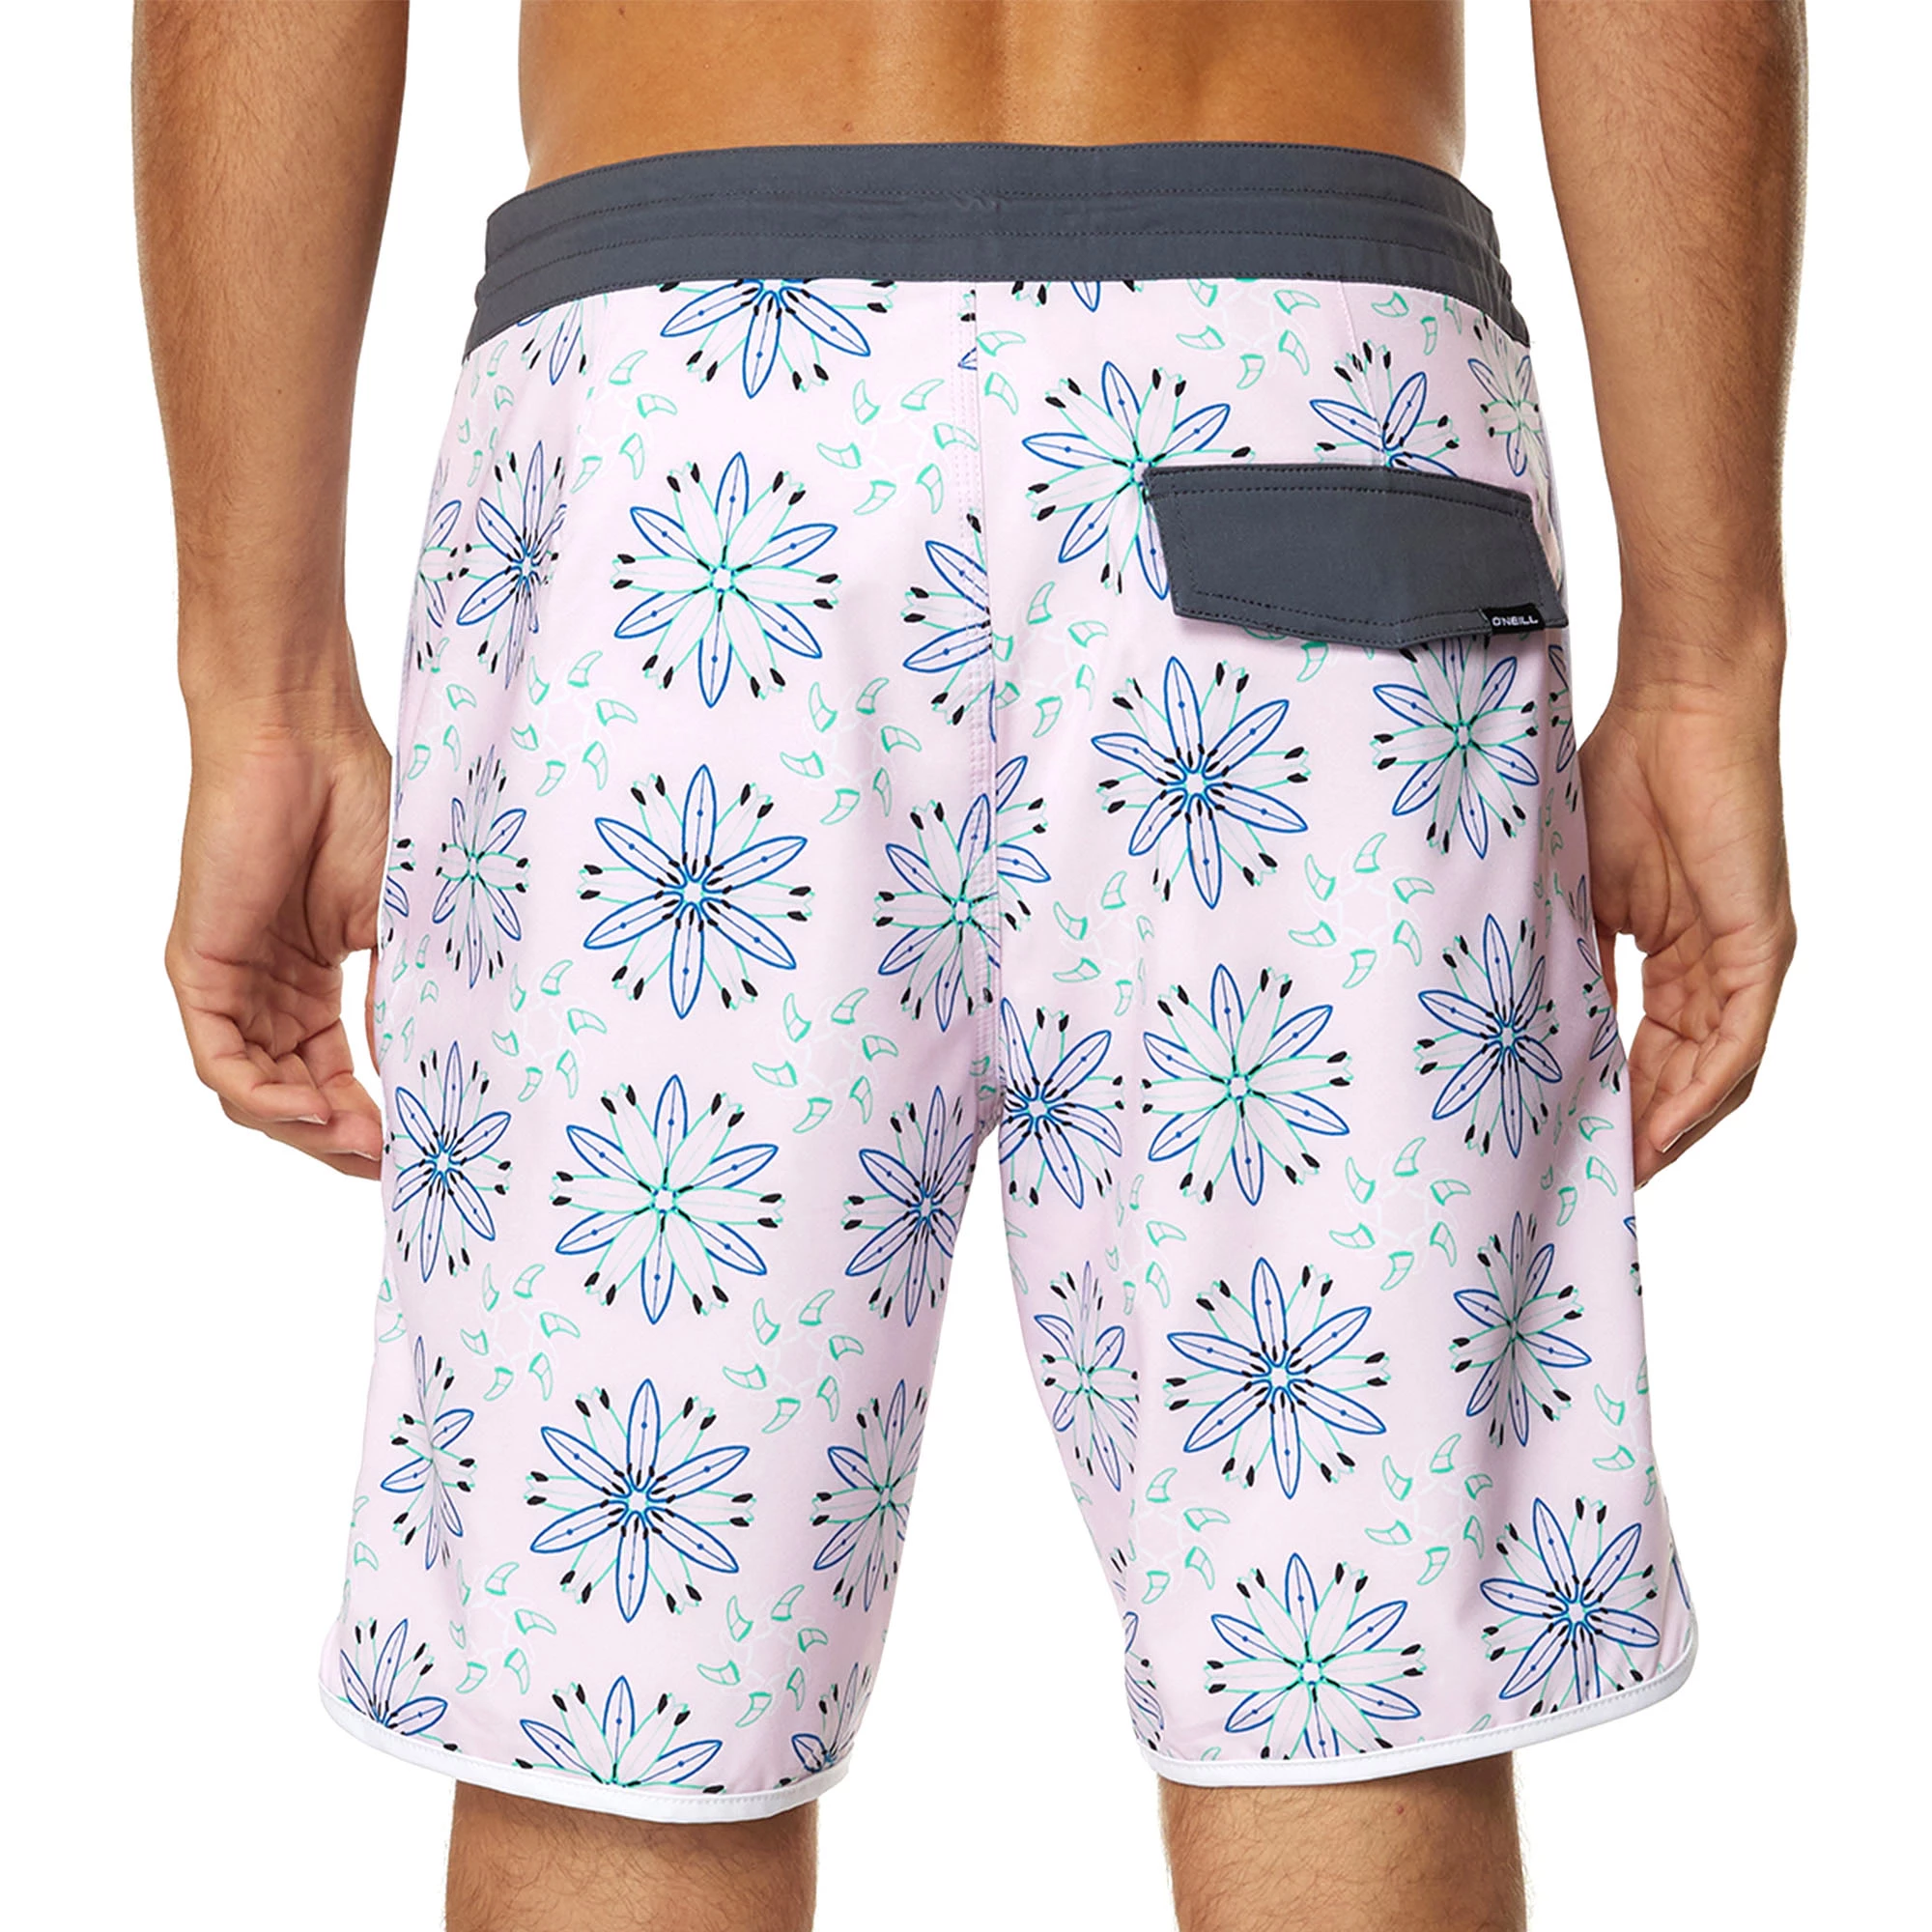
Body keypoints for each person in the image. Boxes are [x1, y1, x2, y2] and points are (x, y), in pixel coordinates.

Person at [132, 4, 1803, 1928]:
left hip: (692, 436)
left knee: (618, 1691)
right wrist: (1708, 663)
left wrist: (260, 694)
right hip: (1298, 390)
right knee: (1341, 1668)